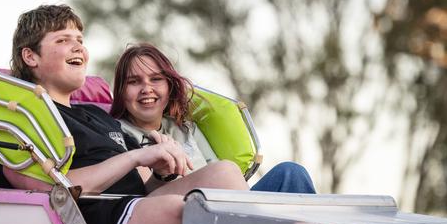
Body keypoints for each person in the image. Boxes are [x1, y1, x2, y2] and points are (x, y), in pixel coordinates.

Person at [4, 4, 249, 224]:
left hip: (139, 206)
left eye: (80, 40)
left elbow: (144, 189)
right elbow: (52, 188)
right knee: (179, 210)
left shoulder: (97, 115)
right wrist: (135, 157)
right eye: (63, 40)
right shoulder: (26, 118)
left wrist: (159, 173)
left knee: (225, 172)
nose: (78, 48)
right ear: (31, 57)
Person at [110, 43, 316, 194]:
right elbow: (142, 195)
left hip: (225, 205)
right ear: (121, 91)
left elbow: (223, 177)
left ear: (169, 86)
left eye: (156, 79)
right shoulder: (115, 133)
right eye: (134, 82)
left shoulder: (186, 128)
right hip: (180, 216)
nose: (147, 89)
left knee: (291, 173)